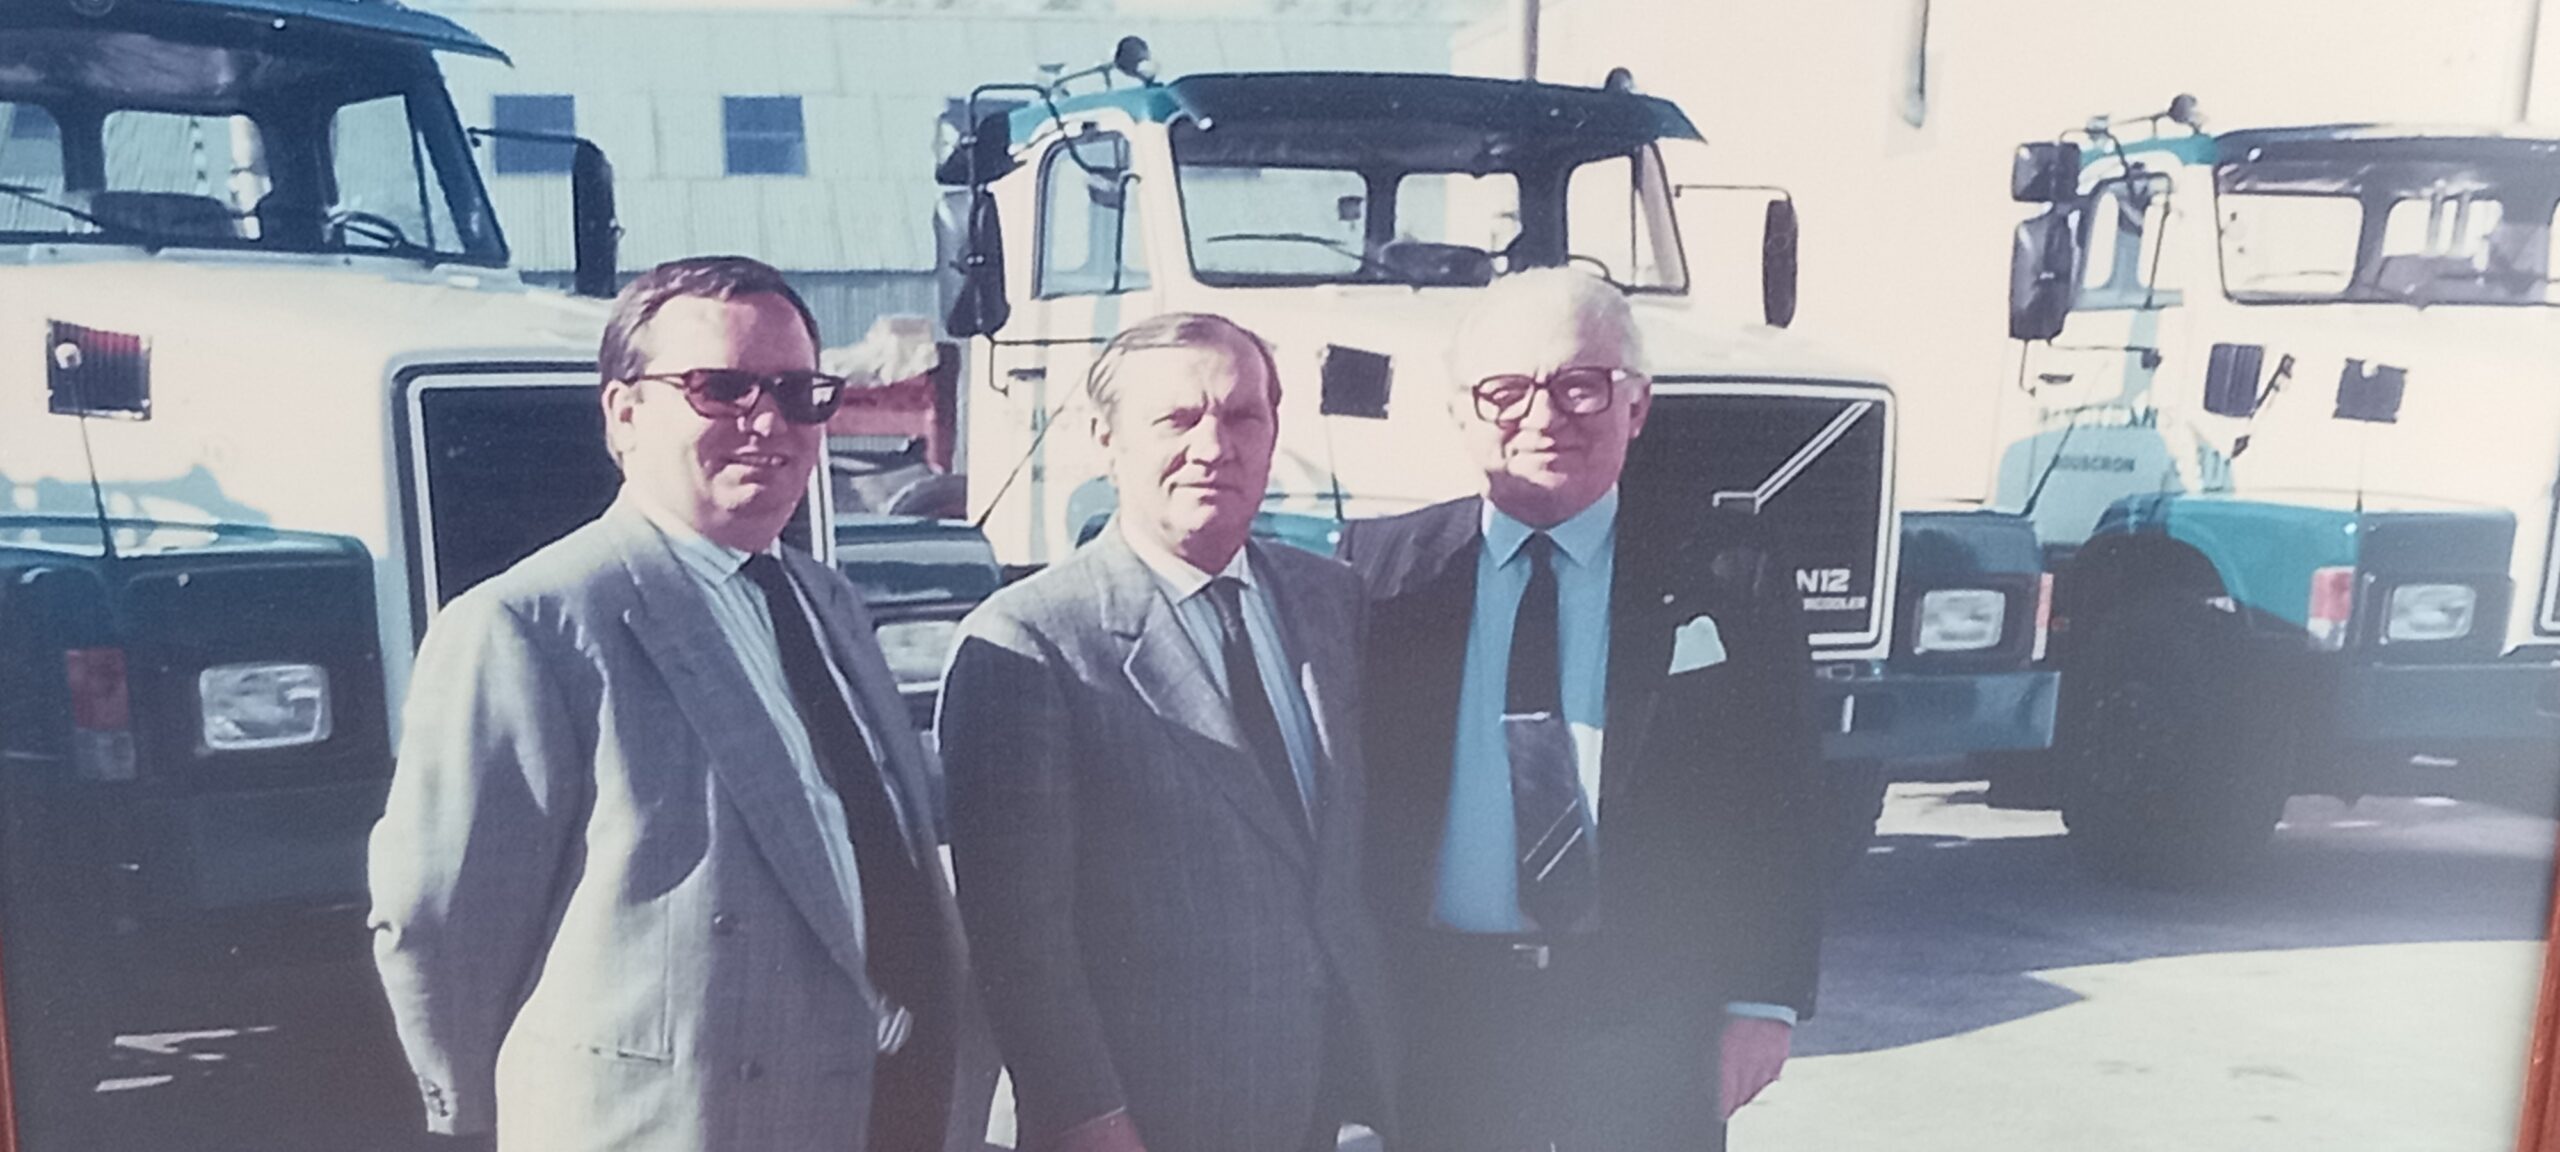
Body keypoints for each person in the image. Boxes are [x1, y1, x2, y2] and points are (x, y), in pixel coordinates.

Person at [369, 256, 965, 1152]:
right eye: (719, 389)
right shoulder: (531, 625)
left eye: (797, 392)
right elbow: (435, 922)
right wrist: (494, 1120)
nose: (766, 422)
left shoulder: (825, 600)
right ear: (623, 414)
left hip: (880, 1108)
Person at [1339, 268, 1825, 1152]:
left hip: (1649, 1015)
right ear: (1459, 412)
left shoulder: (1727, 568)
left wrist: (1765, 998)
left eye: (1580, 384)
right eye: (1505, 390)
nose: (1544, 414)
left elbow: (1782, 791)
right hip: (1444, 1014)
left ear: (1636, 405)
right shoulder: (1381, 568)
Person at [937, 313, 1394, 1152]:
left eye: (1242, 416)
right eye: (1177, 419)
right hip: (1150, 1112)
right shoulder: (1031, 641)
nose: (1214, 446)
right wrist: (1084, 1117)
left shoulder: (1331, 599)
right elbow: (1017, 933)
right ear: (1105, 439)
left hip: (1332, 1099)